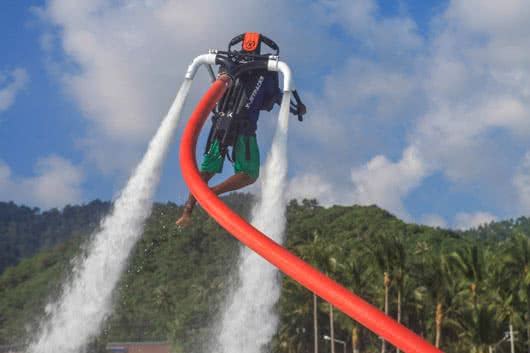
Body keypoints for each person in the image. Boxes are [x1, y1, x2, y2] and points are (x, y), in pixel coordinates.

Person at [176, 33, 305, 227]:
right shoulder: (267, 70)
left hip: (218, 128)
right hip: (244, 130)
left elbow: (218, 87)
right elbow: (277, 99)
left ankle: (187, 211)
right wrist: (298, 109)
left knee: (204, 173)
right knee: (249, 174)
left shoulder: (227, 64)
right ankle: (211, 194)